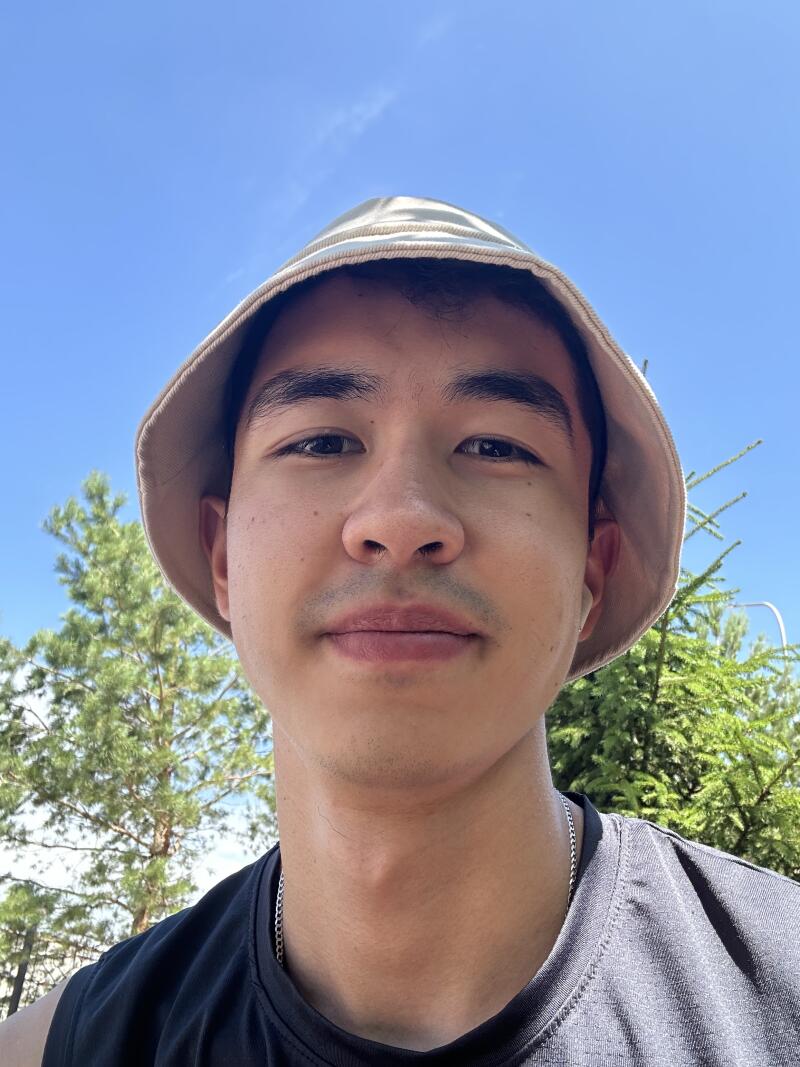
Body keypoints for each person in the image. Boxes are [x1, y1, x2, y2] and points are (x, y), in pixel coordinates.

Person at [3, 196, 798, 1066]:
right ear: (220, 554)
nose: (401, 518)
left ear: (591, 572)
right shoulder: (69, 1045)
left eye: (497, 446)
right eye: (322, 440)